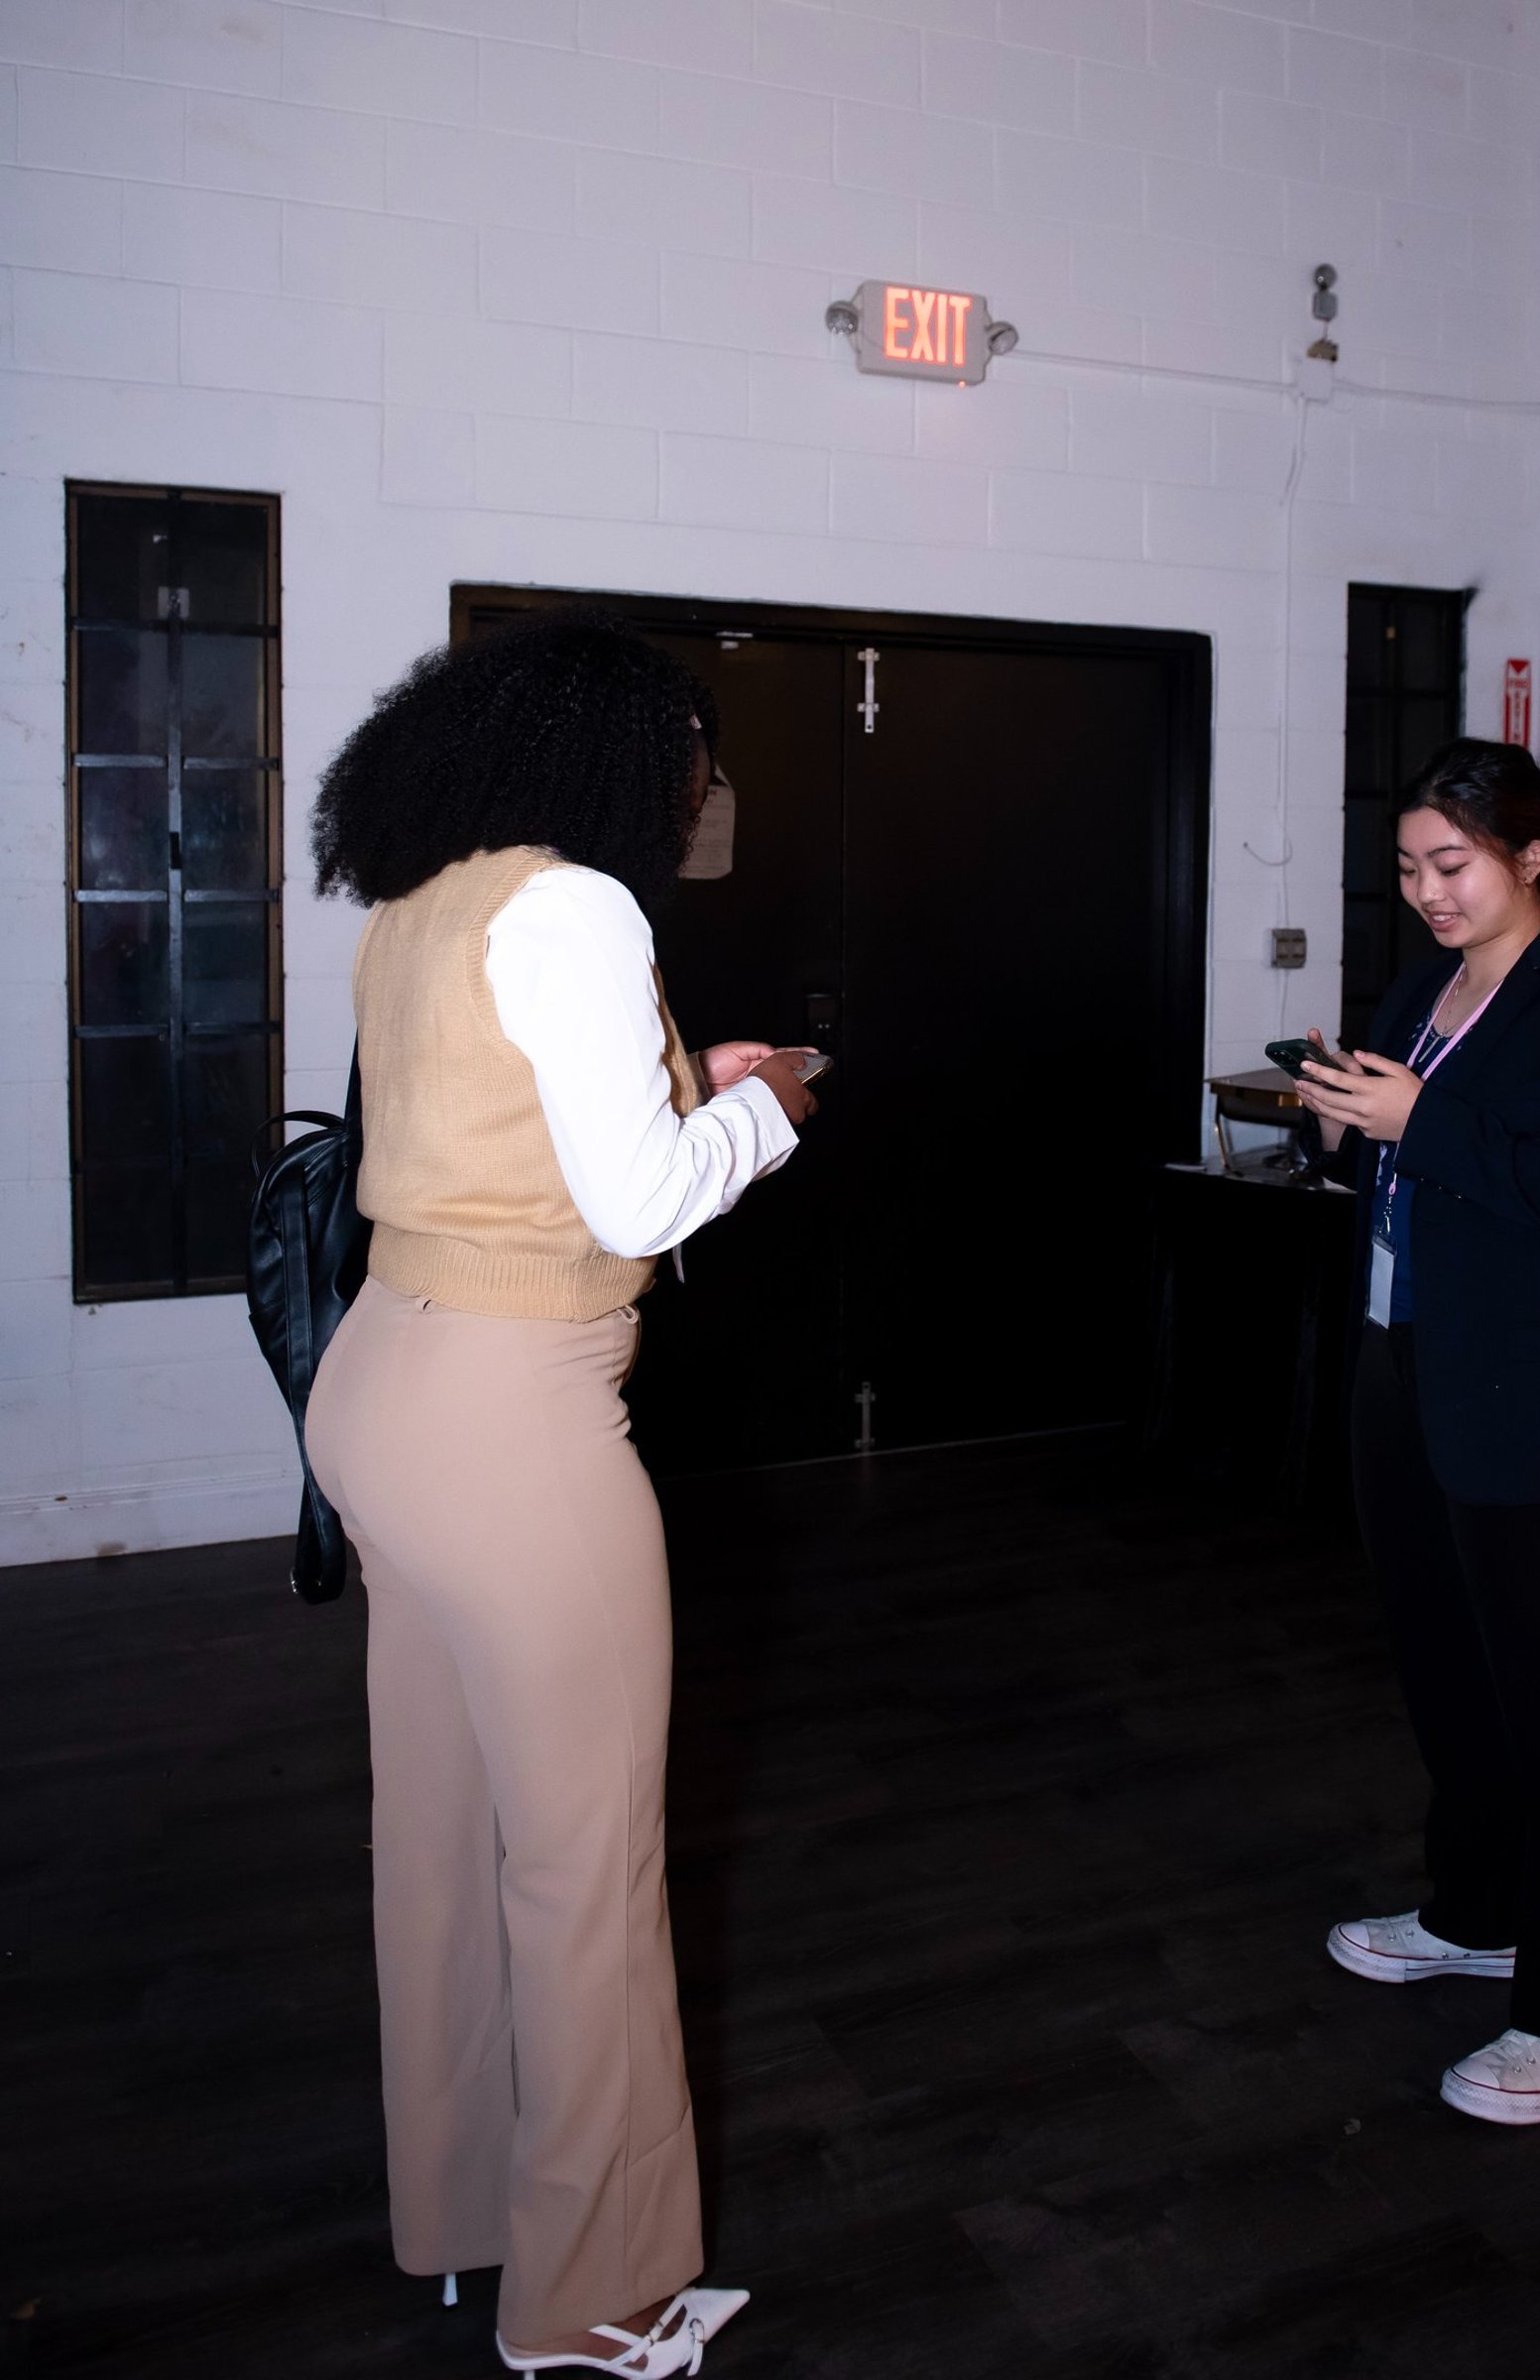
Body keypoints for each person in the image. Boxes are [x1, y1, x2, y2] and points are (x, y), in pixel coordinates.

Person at [304, 610, 813, 2374]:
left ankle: (455, 2219)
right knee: (587, 1869)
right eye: (689, 749)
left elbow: (489, 1123)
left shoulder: (428, 896)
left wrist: (695, 1078)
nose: (704, 785)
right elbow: (638, 1205)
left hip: (384, 1385)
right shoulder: (584, 904)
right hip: (516, 1417)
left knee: (437, 1842)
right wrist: (773, 1116)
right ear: (612, 754)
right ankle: (596, 2303)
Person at [1293, 737, 1540, 2126]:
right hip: (1408, 1372)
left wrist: (1421, 1120)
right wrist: (1348, 1128)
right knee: (1446, 1674)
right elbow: (1416, 1158)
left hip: (1539, 1402)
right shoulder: (1419, 989)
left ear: (1533, 854)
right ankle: (1476, 1913)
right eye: (1406, 869)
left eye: (1451, 864)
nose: (1427, 893)